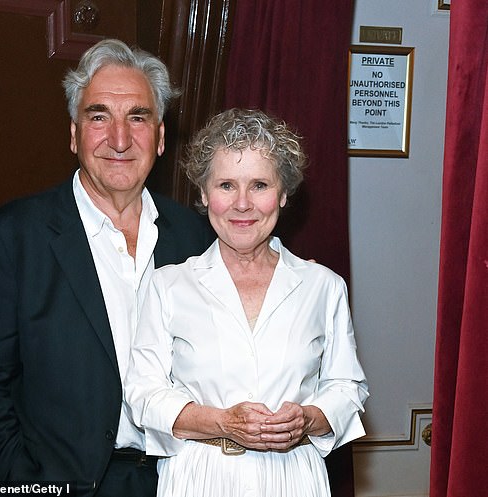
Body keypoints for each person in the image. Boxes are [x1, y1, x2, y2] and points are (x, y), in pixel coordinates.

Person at [0, 39, 213, 496]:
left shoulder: (197, 239)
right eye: (99, 117)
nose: (119, 139)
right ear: (74, 134)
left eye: (138, 117)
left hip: (182, 480)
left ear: (161, 136)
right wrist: (22, 482)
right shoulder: (13, 237)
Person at [125, 108, 369, 497]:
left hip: (296, 478)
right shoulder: (167, 286)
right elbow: (143, 395)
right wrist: (223, 422)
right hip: (199, 478)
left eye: (259, 185)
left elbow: (347, 388)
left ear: (284, 193)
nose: (242, 204)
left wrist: (308, 418)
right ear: (203, 194)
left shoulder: (323, 287)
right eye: (226, 185)